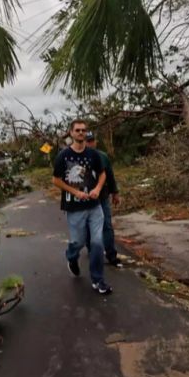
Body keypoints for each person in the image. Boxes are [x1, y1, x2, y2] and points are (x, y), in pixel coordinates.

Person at [52, 119, 112, 295]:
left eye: (84, 130)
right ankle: (72, 257)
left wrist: (98, 189)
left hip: (94, 206)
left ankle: (98, 280)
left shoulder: (93, 155)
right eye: (77, 130)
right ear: (71, 133)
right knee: (78, 242)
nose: (81, 133)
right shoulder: (63, 156)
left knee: (97, 243)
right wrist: (75, 192)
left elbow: (102, 174)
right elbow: (55, 180)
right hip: (74, 207)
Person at [86, 131, 123, 267]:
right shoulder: (78, 158)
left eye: (91, 141)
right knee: (89, 226)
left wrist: (115, 192)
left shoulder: (103, 157)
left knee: (107, 225)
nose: (90, 143)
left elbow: (110, 176)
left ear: (95, 142)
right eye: (87, 141)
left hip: (102, 197)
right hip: (87, 199)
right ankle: (92, 250)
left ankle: (111, 255)